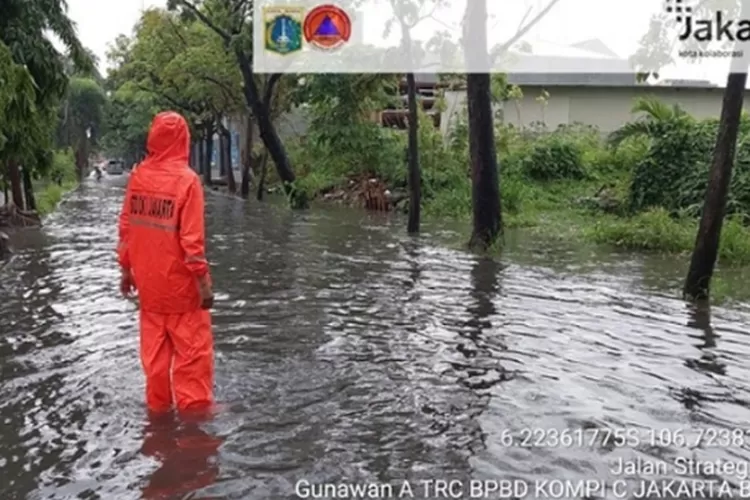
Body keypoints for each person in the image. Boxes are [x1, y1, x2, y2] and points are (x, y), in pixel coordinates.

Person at [117, 110, 215, 414]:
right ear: (183, 140)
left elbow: (125, 228)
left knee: (155, 367)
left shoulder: (138, 177)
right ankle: (194, 436)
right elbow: (192, 244)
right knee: (193, 366)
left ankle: (158, 429)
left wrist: (125, 270)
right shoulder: (188, 182)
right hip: (182, 293)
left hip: (149, 289)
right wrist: (204, 285)